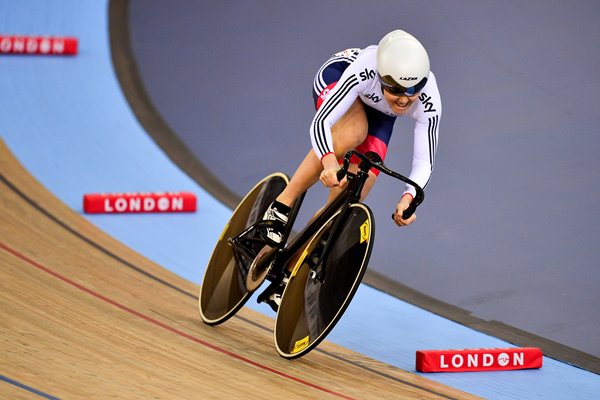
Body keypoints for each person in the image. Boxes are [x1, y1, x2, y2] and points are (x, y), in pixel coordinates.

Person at [259, 30, 442, 310]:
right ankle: (281, 205)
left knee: (353, 193)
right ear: (382, 77)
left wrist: (409, 198)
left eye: (412, 90)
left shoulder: (427, 95)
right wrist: (329, 160)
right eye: (396, 89)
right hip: (338, 77)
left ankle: (287, 272)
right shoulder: (364, 69)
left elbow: (425, 160)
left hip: (380, 112)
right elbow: (321, 122)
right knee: (354, 132)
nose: (405, 99)